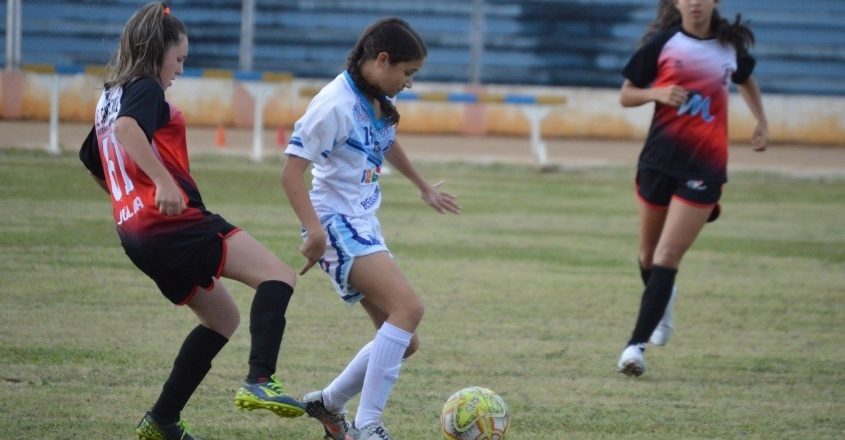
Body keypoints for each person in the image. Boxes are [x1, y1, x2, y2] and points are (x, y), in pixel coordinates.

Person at [78, 3, 305, 439]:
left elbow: (92, 159)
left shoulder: (109, 96)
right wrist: (161, 184)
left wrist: (127, 199)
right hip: (172, 225)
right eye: (178, 59)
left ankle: (162, 419)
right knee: (279, 276)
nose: (180, 69)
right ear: (157, 51)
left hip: (136, 236)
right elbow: (129, 130)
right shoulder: (143, 87)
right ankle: (261, 380)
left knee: (222, 319)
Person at [280, 17, 461, 440]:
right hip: (337, 225)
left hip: (362, 223)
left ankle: (328, 402)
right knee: (410, 310)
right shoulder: (333, 104)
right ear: (382, 60)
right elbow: (291, 174)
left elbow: (385, 140)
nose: (410, 83)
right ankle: (368, 426)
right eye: (408, 73)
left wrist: (421, 186)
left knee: (404, 340)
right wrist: (314, 231)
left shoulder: (374, 97)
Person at [615, 0, 769, 377]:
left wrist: (761, 121)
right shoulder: (663, 44)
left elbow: (746, 77)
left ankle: (634, 347)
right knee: (647, 256)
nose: (695, 2)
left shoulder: (729, 47)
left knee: (667, 257)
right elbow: (626, 94)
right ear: (677, 3)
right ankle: (664, 298)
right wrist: (657, 93)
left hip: (705, 167)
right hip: (657, 162)